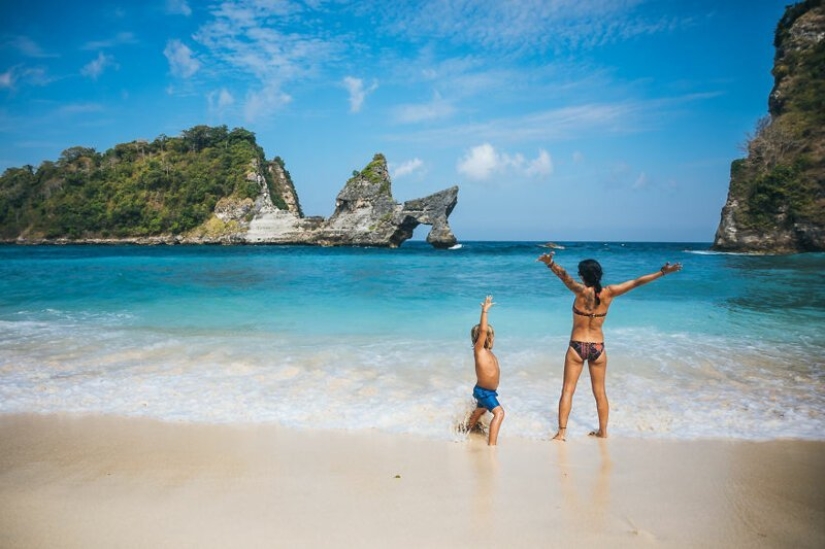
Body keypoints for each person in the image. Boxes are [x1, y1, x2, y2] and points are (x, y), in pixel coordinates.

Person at [537, 252, 682, 441]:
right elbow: (636, 282)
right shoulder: (610, 292)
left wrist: (550, 263)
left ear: (582, 275)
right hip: (598, 348)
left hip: (577, 346)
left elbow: (563, 276)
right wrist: (662, 272)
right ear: (599, 275)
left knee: (567, 390)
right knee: (600, 392)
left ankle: (562, 433)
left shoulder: (579, 291)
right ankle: (603, 432)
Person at [464, 295, 505, 446]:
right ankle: (492, 445)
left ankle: (466, 428)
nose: (493, 339)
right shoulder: (479, 350)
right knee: (499, 413)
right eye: (491, 336)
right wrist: (485, 311)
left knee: (480, 411)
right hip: (484, 391)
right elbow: (482, 331)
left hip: (488, 391)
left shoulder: (489, 353)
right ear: (484, 337)